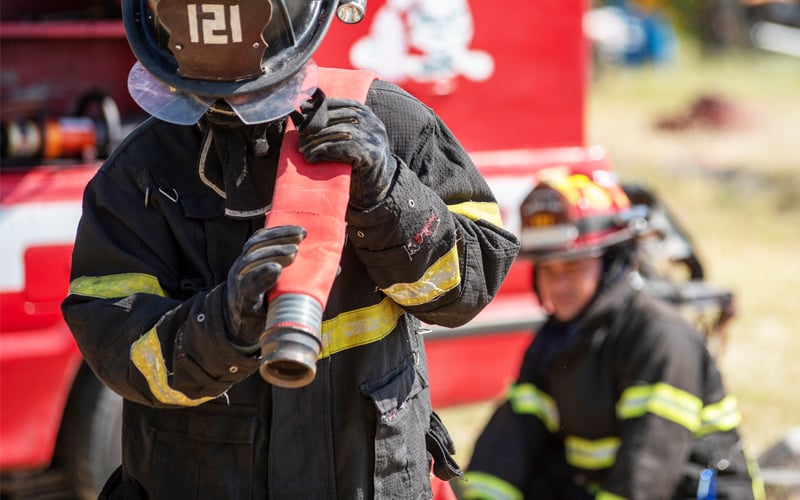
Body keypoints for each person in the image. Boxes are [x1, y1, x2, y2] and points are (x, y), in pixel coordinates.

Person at [60, 1, 520, 498]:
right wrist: (220, 326)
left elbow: (469, 284)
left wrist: (388, 193)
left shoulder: (389, 122)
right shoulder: (141, 174)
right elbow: (118, 347)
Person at [460, 173, 764, 500]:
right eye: (548, 269)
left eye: (573, 265)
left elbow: (647, 469)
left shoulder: (660, 336)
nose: (559, 284)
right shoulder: (554, 341)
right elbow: (511, 440)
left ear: (611, 262)